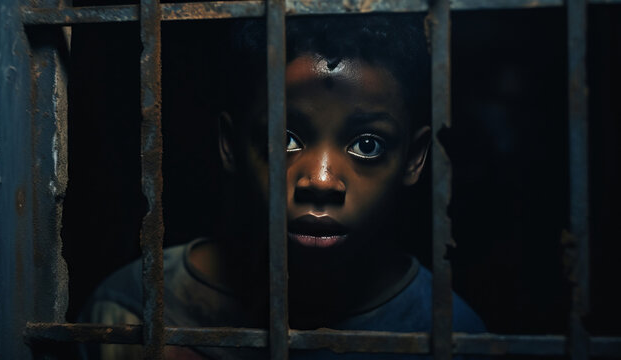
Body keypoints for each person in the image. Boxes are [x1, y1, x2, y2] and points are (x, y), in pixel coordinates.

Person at [79, 14, 486, 360]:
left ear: (414, 158)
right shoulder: (131, 309)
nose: (321, 181)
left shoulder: (449, 334)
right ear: (230, 146)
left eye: (367, 144)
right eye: (283, 139)